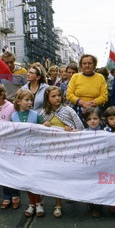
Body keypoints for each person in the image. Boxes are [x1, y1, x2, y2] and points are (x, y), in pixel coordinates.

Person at [40, 86, 83, 218]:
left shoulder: (68, 111)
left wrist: (72, 130)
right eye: (53, 96)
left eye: (59, 95)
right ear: (47, 98)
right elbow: (38, 133)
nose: (57, 98)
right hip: (52, 150)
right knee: (55, 176)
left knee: (67, 174)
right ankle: (57, 204)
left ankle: (70, 194)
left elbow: (81, 128)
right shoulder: (43, 114)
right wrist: (43, 126)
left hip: (68, 149)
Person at [10, 89, 43, 217]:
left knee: (35, 177)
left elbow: (42, 132)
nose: (30, 103)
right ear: (18, 101)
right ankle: (31, 203)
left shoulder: (35, 115)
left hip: (34, 152)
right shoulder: (13, 116)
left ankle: (38, 203)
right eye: (27, 100)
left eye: (31, 100)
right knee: (27, 178)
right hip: (21, 153)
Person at [66, 54, 108, 121]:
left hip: (96, 111)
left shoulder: (100, 77)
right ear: (81, 65)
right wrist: (83, 103)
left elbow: (104, 96)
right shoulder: (75, 77)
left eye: (90, 63)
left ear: (94, 64)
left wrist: (92, 104)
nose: (87, 65)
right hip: (78, 110)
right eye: (84, 63)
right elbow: (69, 94)